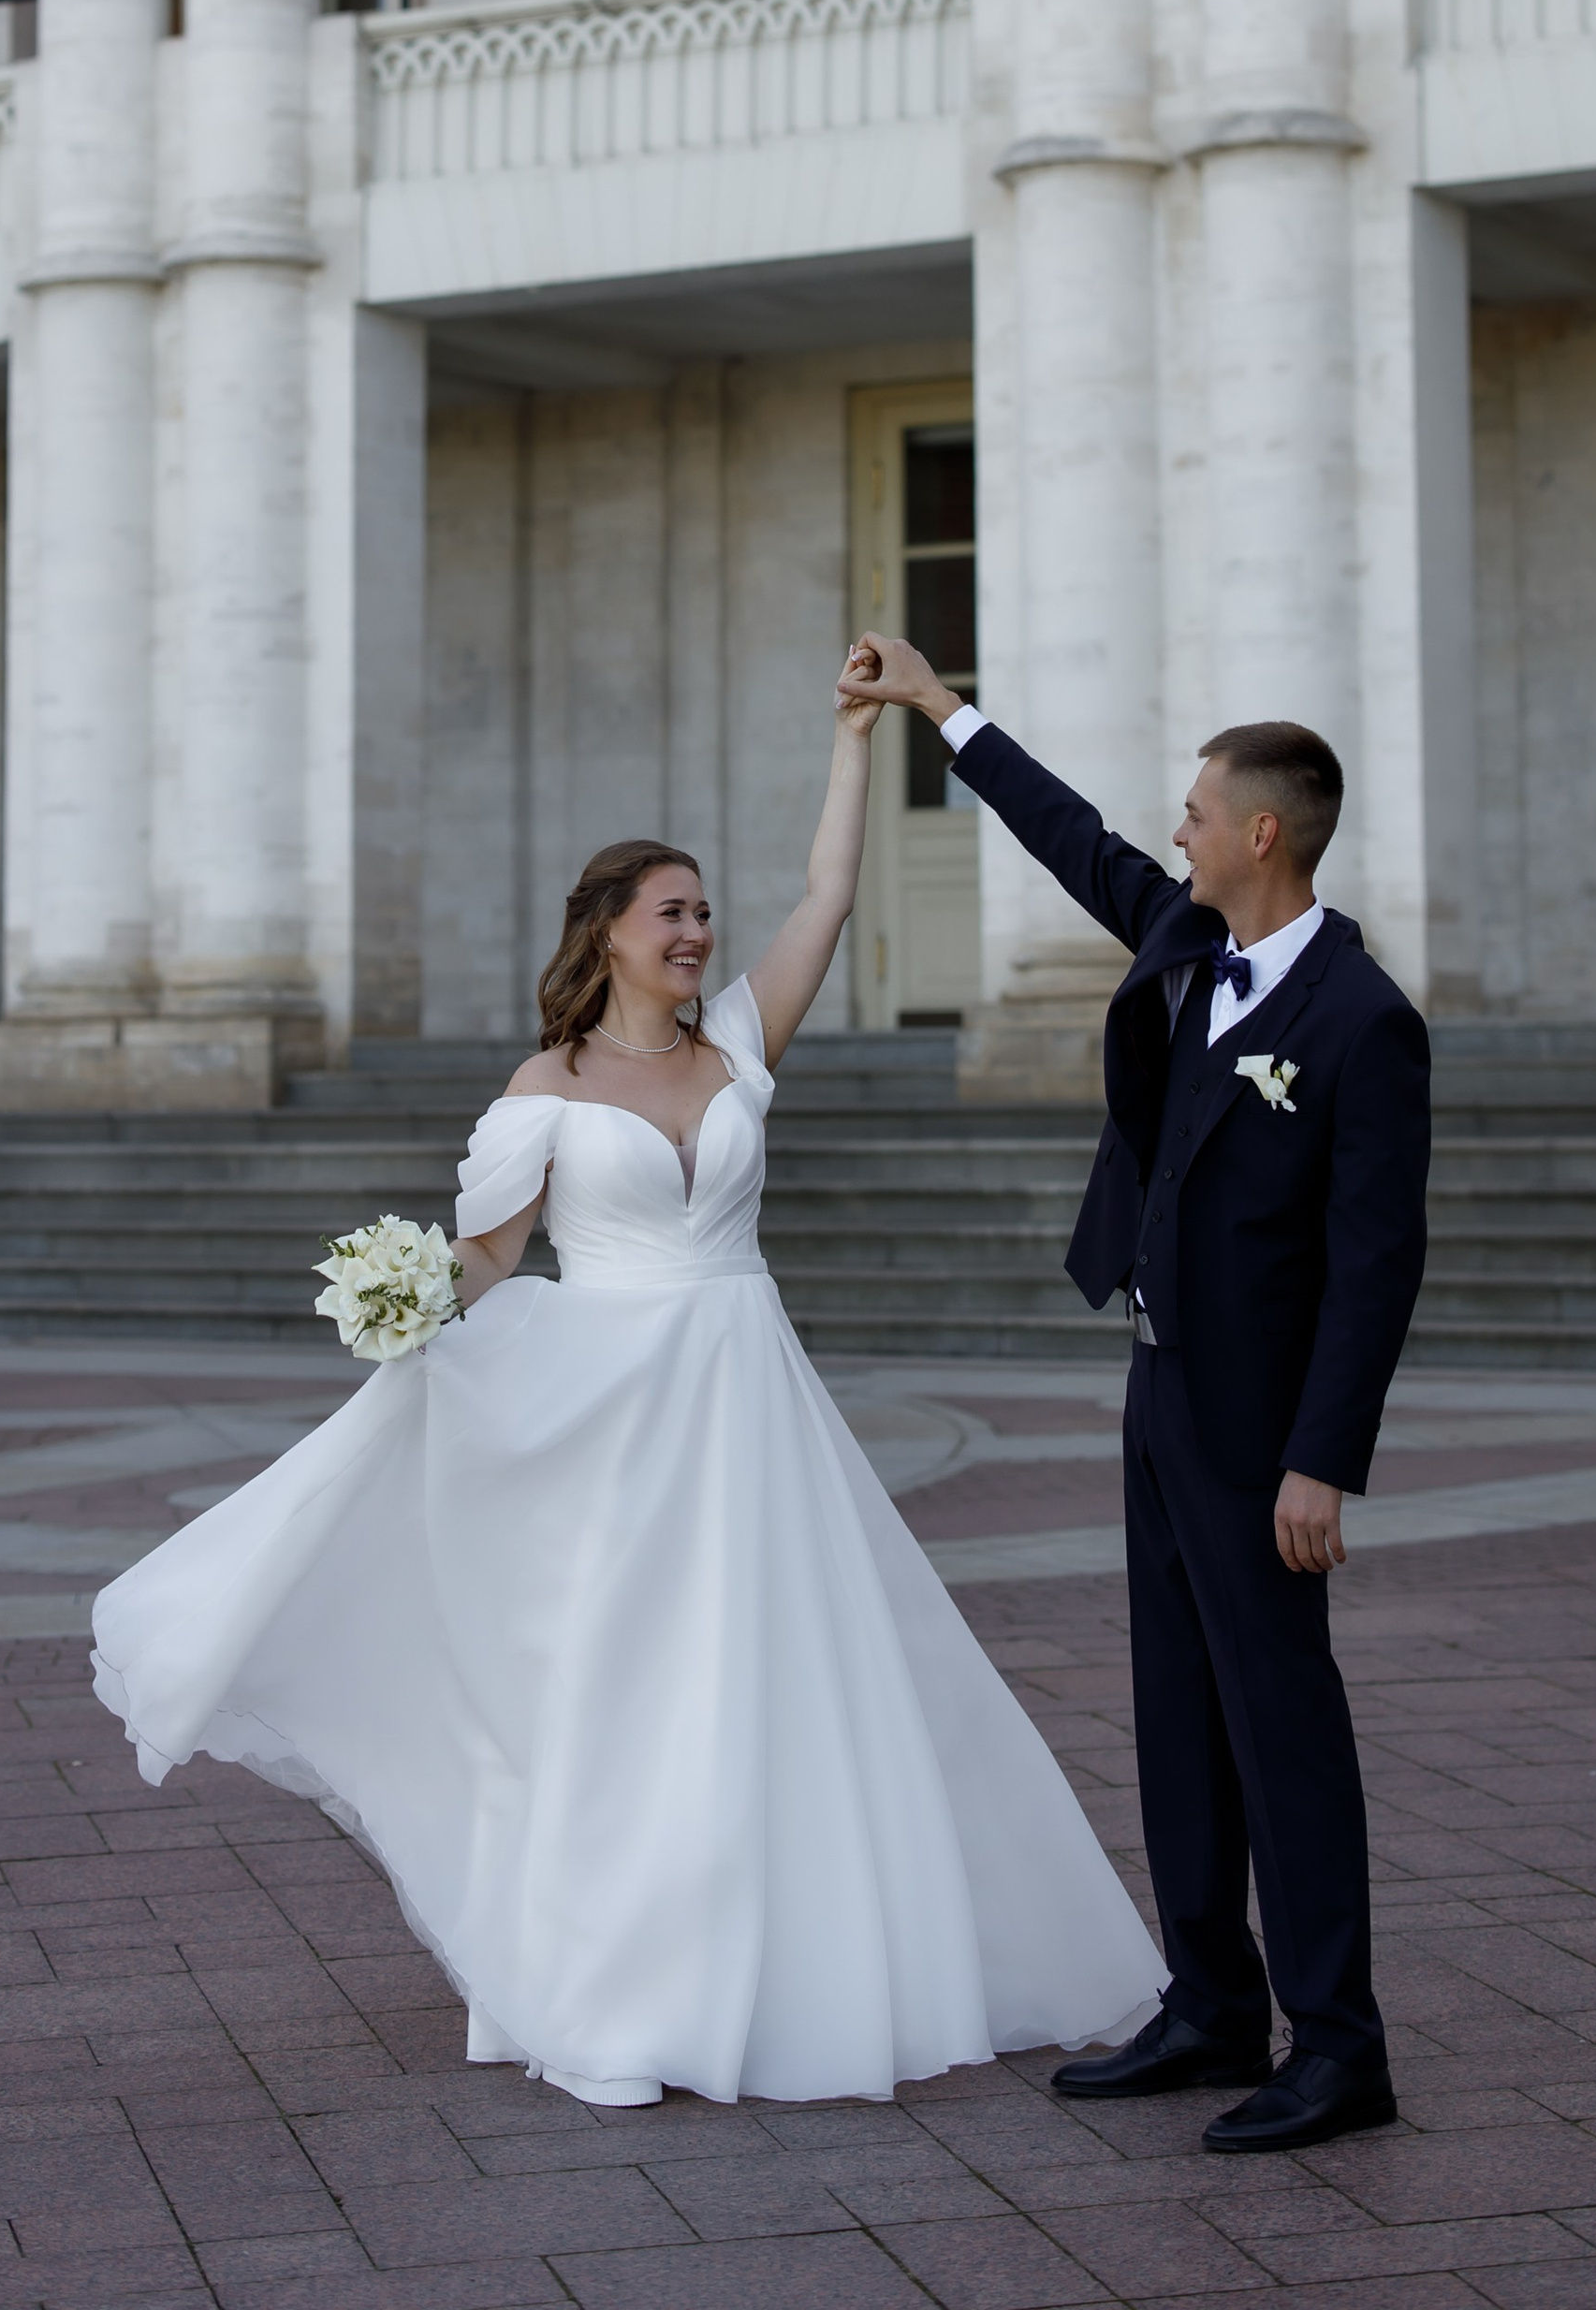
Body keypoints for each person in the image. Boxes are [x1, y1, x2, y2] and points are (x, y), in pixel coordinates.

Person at [92, 667, 1163, 2109]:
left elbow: (830, 900)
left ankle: (806, 1965)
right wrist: (409, 1317)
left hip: (749, 1401)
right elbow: (483, 1261)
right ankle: (624, 1983)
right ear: (607, 932)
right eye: (672, 913)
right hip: (611, 1421)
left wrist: (856, 741)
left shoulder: (738, 1046)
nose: (698, 932)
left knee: (786, 1676)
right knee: (634, 1691)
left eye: (705, 913)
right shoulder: (544, 1086)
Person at [842, 635, 1429, 2155]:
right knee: (1178, 1710)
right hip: (1160, 1388)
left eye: (1196, 809)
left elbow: (1377, 1266)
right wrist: (936, 707)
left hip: (1263, 1429)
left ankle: (1338, 2045)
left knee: (1280, 1719)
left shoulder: (1366, 1024)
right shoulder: (1184, 937)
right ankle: (1214, 2003)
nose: (1171, 828)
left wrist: (1322, 1463)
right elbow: (1070, 837)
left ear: (1262, 833)